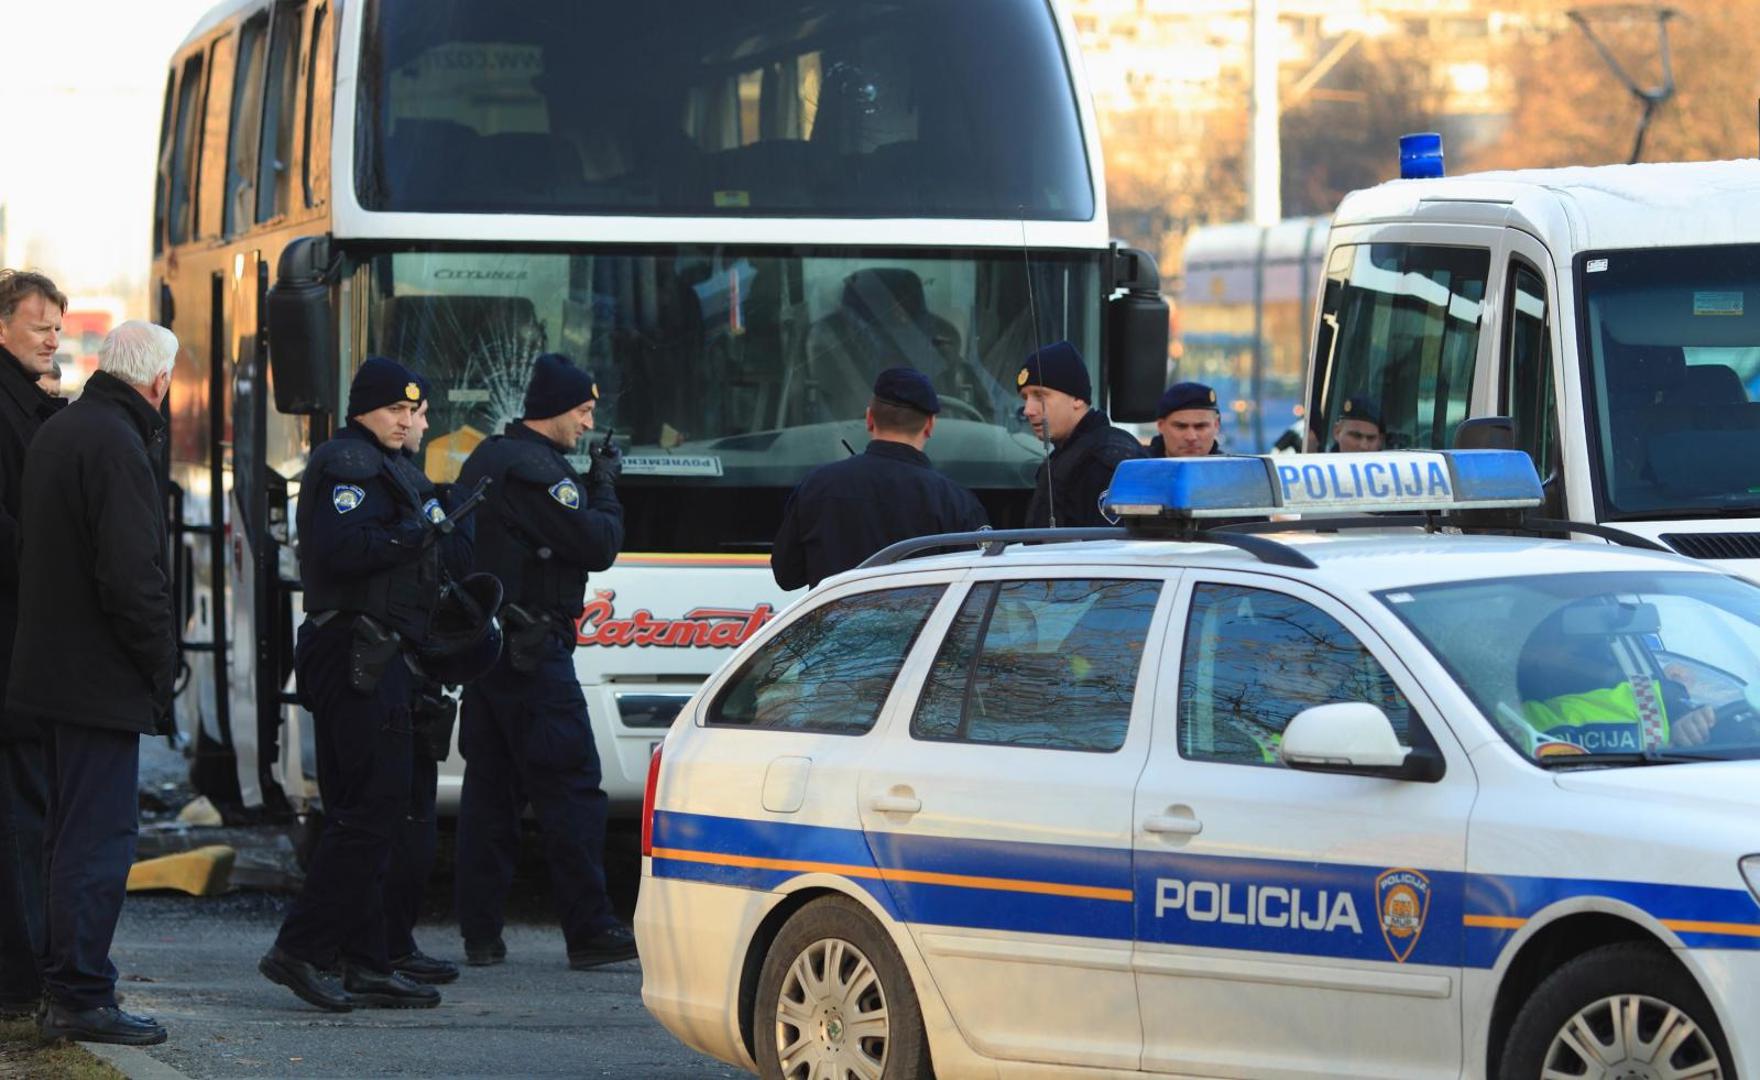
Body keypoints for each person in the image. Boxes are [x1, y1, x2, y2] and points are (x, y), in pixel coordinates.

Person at [6, 322, 178, 1046]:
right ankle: (81, 995)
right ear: (160, 382)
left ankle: (64, 985)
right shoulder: (117, 443)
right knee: (98, 841)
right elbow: (132, 578)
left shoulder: (66, 428)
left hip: (50, 672)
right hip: (97, 679)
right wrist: (161, 666)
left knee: (63, 836)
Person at [259, 356, 445, 1013]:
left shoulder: (386, 465)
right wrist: (414, 534)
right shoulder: (348, 463)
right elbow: (346, 549)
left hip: (379, 650)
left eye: (413, 409)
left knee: (370, 807)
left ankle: (366, 961)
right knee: (370, 807)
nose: (406, 419)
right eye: (395, 408)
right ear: (365, 409)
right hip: (354, 650)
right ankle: (301, 950)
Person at [453, 353, 634, 970]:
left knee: (490, 796)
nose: (587, 426)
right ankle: (590, 930)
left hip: (490, 652)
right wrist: (604, 485)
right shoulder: (538, 471)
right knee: (572, 788)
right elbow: (597, 544)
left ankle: (480, 934)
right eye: (582, 412)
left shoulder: (488, 458)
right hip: (534, 656)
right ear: (556, 409)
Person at [380, 379, 470, 987]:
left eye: (419, 413)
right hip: (381, 660)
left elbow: (452, 557)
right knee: (383, 812)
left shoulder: (408, 475)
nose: (416, 422)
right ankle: (365, 949)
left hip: (416, 663)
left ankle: (392, 943)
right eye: (407, 412)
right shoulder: (362, 471)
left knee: (416, 814)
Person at [0, 270, 66, 1022]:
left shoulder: (37, 404)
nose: (54, 338)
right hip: (13, 646)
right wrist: (50, 555)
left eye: (57, 325)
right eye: (40, 324)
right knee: (21, 817)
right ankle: (22, 976)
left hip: (26, 643)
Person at [772, 368, 988, 589]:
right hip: (923, 625)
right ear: (930, 425)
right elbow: (974, 590)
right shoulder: (956, 502)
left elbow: (787, 577)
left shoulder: (817, 485)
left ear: (869, 419)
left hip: (832, 623)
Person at [1517, 608, 1718, 754]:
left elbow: (1680, 714)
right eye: (1563, 641)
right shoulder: (1505, 713)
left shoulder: (1649, 698)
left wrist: (1688, 722)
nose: (1581, 653)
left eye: (1591, 643)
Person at [1017, 341, 1145, 528]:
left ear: (1077, 398)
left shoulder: (1107, 461)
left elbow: (1109, 551)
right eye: (1025, 398)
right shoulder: (1063, 458)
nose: (1028, 410)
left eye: (1040, 396)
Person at [1149, 382, 1222, 457]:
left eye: (1200, 426)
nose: (1191, 437)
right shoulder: (1138, 466)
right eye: (1181, 426)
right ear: (1160, 426)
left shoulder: (1230, 467)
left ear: (1216, 425)